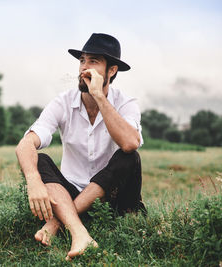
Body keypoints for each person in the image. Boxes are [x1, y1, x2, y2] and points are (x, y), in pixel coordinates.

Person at [15, 33, 146, 260]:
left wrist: (98, 96)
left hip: (113, 197)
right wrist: (34, 181)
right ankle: (79, 232)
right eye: (82, 60)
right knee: (40, 159)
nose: (83, 68)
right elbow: (26, 143)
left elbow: (130, 143)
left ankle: (58, 221)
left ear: (111, 71)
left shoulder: (127, 103)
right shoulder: (63, 102)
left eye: (93, 61)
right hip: (72, 189)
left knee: (130, 156)